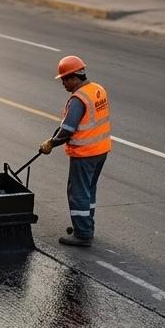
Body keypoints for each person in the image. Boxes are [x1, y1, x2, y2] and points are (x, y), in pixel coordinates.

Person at [39, 55, 111, 247]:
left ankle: (82, 234)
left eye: (64, 79)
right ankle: (88, 226)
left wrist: (50, 144)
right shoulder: (97, 89)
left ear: (73, 77)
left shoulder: (78, 99)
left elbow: (68, 130)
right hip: (101, 150)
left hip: (85, 153)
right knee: (89, 190)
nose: (63, 83)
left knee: (78, 192)